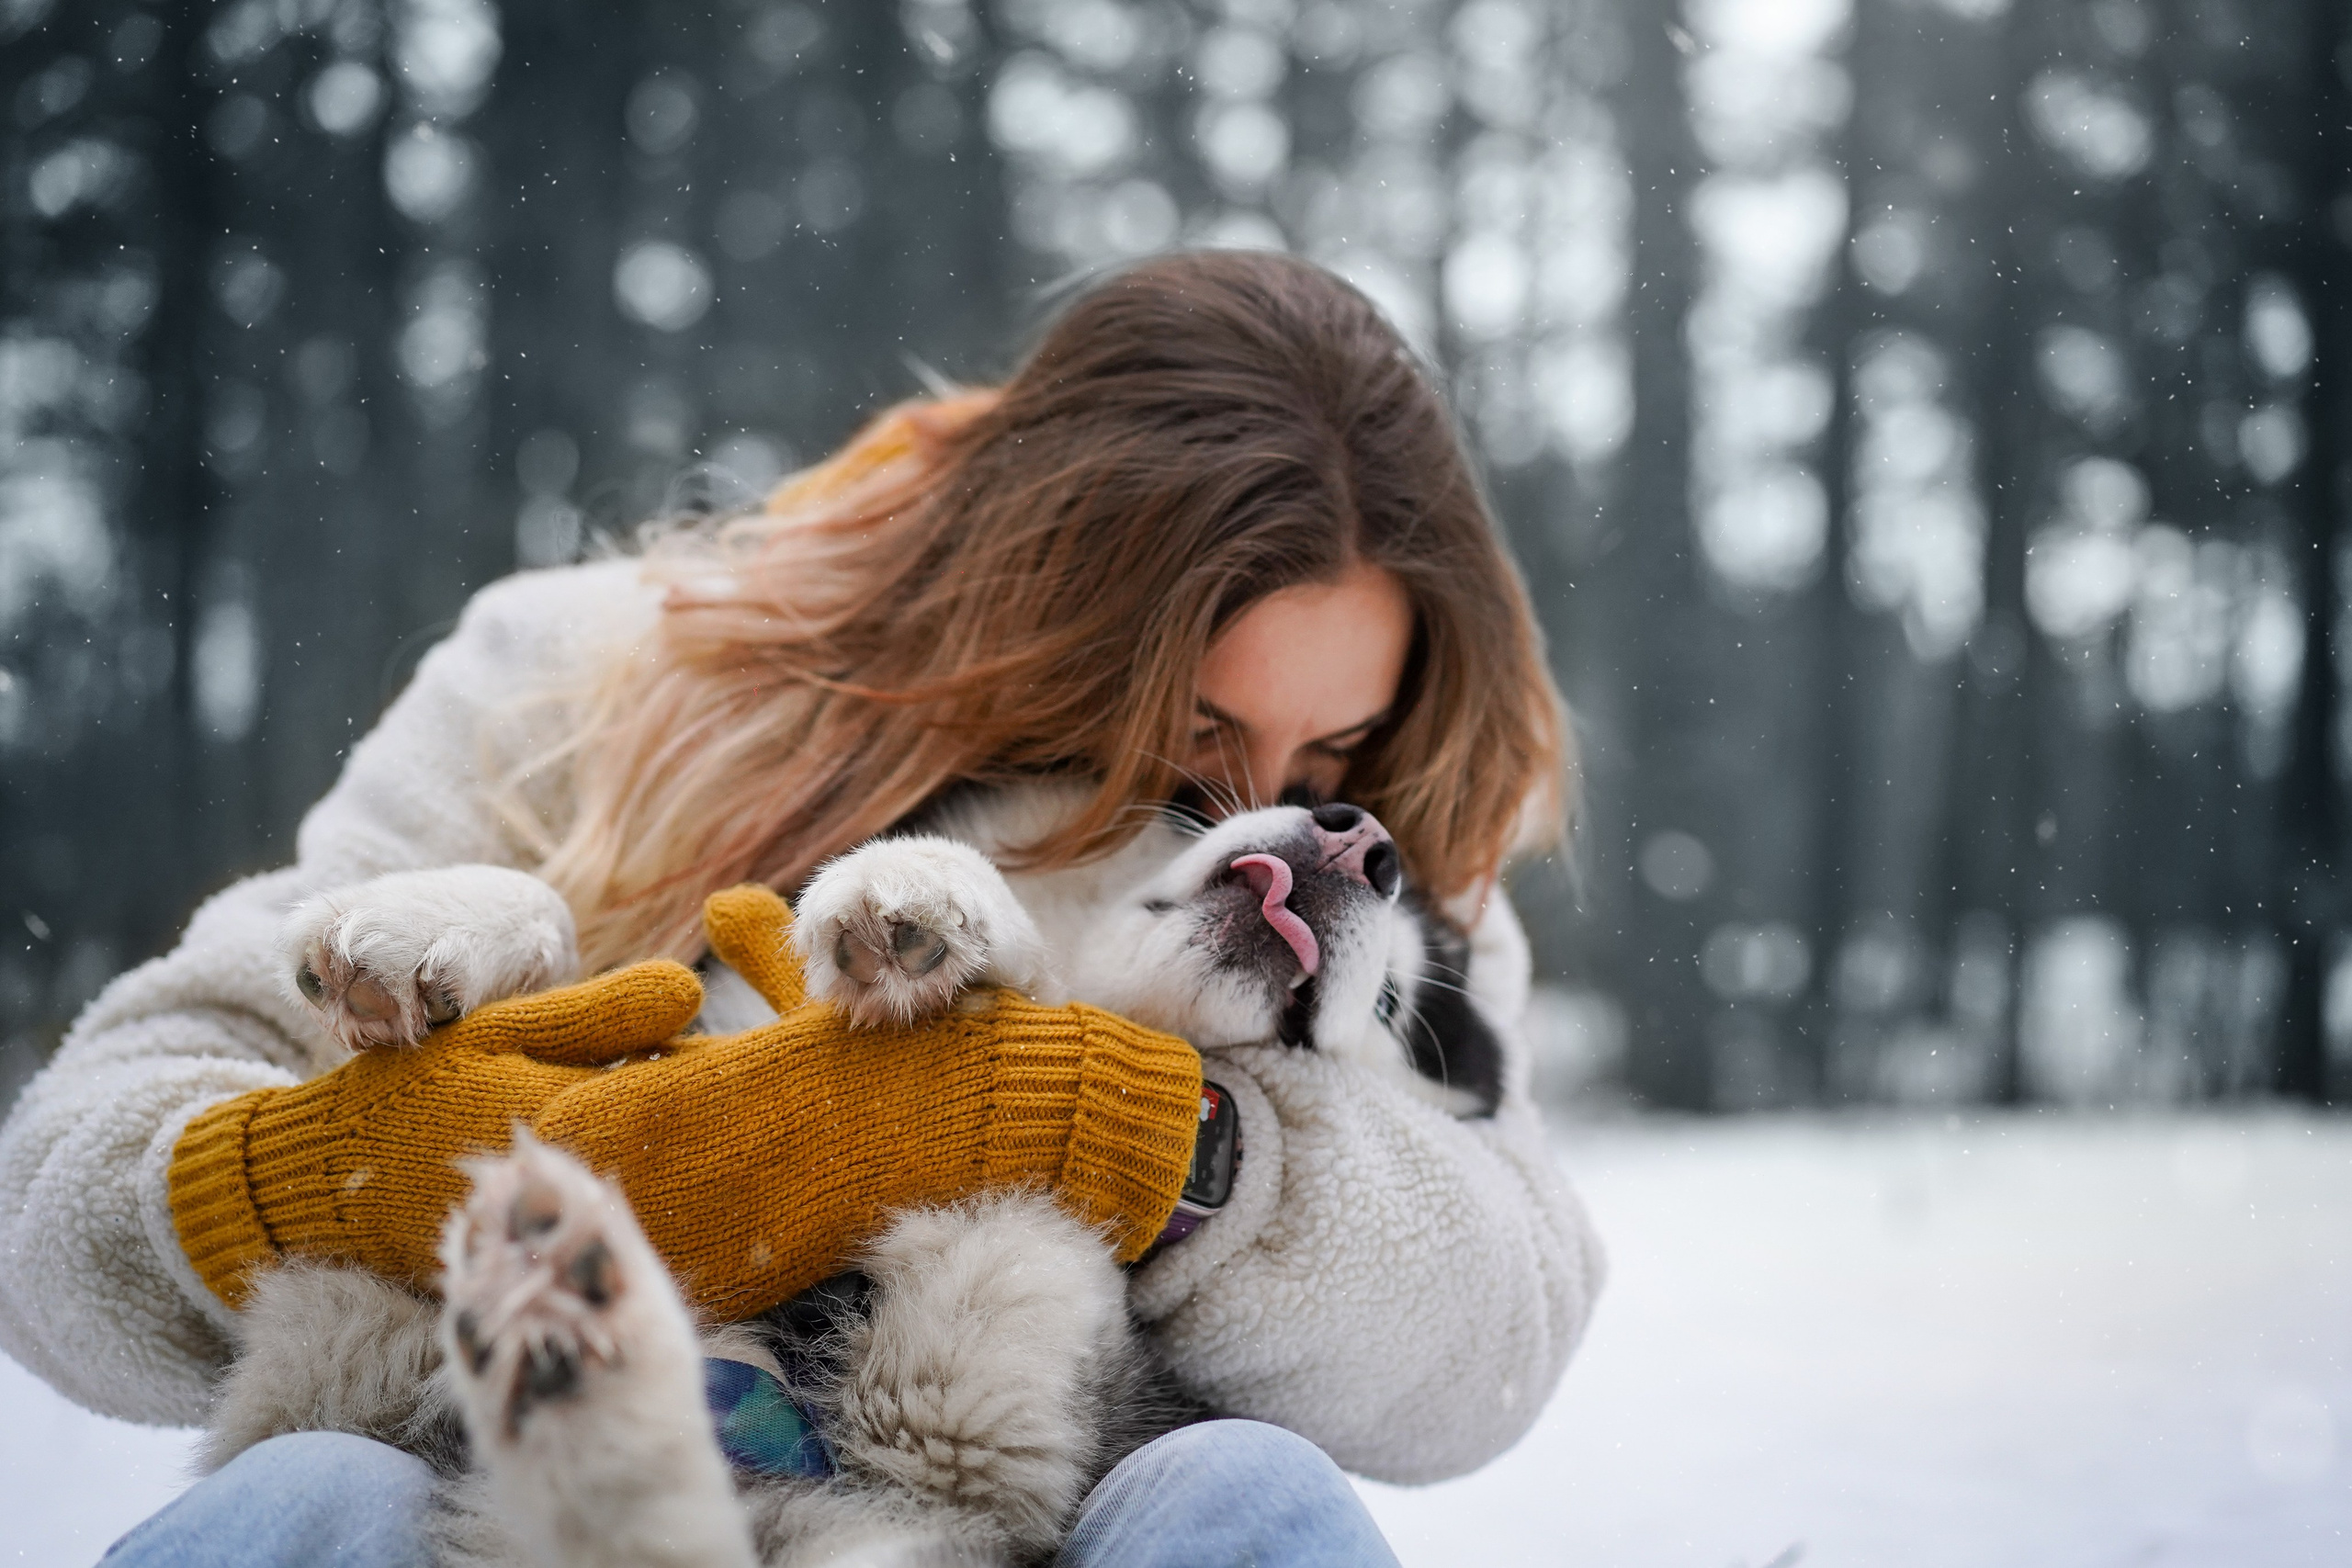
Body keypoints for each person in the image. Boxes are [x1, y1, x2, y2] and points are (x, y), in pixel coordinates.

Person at [2, 251, 1604, 1566]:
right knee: (308, 1508)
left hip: (1010, 1520)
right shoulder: (584, 687)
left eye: (1325, 747)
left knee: (1245, 1499)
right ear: (1036, 595)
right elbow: (51, 1205)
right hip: (504, 1502)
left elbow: (1502, 1325)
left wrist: (1182, 1157)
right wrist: (299, 1180)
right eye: (1190, 720)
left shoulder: (1370, 867)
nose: (1263, 805)